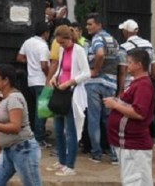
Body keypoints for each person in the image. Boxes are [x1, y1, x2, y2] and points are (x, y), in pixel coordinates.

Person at [0, 64, 42, 186]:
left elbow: (15, 127)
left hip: (22, 149)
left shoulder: (14, 98)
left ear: (5, 81)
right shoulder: (6, 98)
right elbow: (3, 109)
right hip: (8, 150)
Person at [105, 48, 155, 186]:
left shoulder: (143, 85)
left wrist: (115, 106)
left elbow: (139, 113)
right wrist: (117, 101)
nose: (127, 65)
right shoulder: (137, 83)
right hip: (128, 144)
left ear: (139, 65)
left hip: (133, 145)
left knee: (134, 181)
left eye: (129, 62)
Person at [45, 25, 91, 176]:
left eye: (63, 43)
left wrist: (70, 82)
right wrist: (54, 78)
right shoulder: (63, 50)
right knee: (58, 129)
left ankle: (70, 165)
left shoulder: (79, 50)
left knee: (70, 131)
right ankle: (62, 161)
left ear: (69, 39)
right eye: (59, 43)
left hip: (72, 94)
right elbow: (61, 69)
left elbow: (86, 73)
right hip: (60, 92)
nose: (61, 46)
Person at [85, 12, 120, 164]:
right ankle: (114, 154)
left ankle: (97, 153)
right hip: (111, 83)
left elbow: (99, 54)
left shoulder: (97, 39)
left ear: (99, 25)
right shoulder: (114, 40)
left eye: (90, 24)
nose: (88, 27)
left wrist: (95, 70)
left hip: (95, 83)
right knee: (109, 119)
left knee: (94, 118)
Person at [16, 22, 50, 146]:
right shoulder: (43, 46)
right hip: (42, 81)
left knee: (35, 110)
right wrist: (49, 76)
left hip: (31, 81)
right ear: (45, 33)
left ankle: (35, 135)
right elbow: (44, 65)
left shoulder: (28, 42)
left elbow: (19, 58)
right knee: (42, 111)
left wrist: (30, 60)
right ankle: (39, 138)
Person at [117, 20, 155, 94]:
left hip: (130, 84)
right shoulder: (148, 44)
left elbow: (123, 71)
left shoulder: (123, 47)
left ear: (125, 32)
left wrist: (120, 91)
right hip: (146, 82)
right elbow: (154, 66)